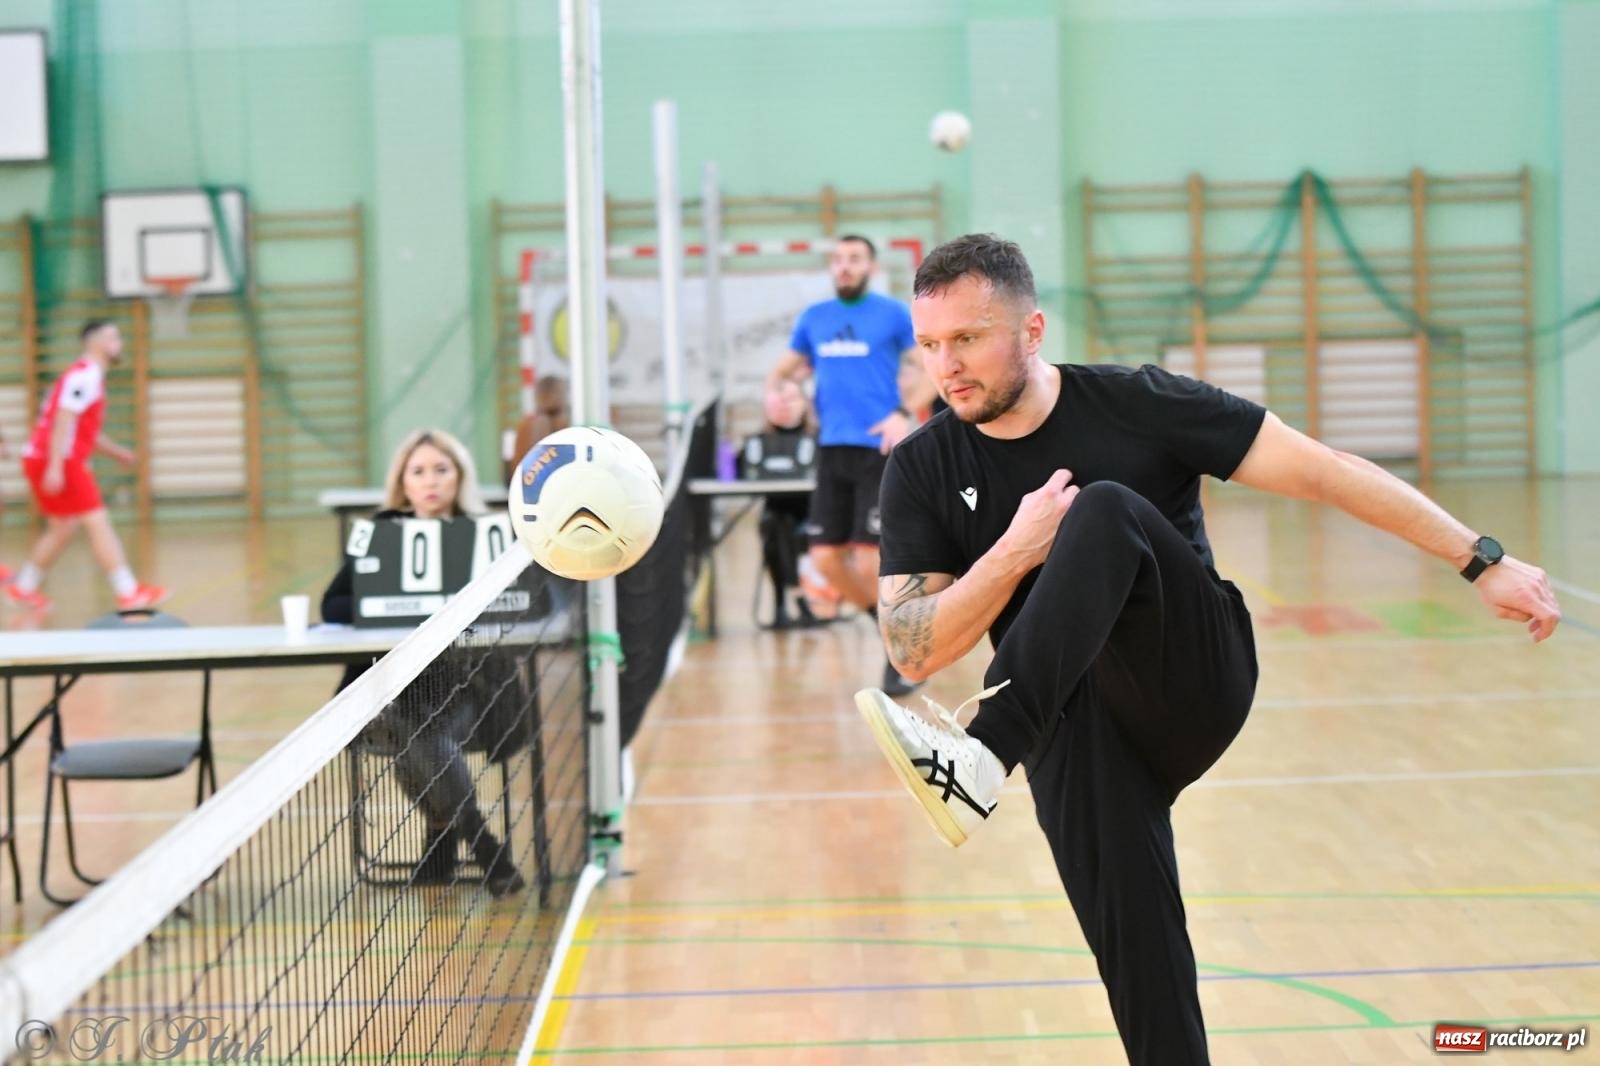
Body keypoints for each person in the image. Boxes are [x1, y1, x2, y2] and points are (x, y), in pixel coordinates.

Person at [855, 234, 1562, 1065]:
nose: (948, 366)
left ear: (1033, 330)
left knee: (1105, 509)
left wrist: (1479, 559)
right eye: (931, 345)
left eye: (968, 339)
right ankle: (989, 761)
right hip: (1073, 721)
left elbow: (1326, 470)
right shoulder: (924, 467)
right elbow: (912, 649)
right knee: (1140, 963)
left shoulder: (1138, 403)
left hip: (1189, 676)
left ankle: (979, 759)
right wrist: (1012, 552)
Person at [321, 428, 525, 898]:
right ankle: (480, 841)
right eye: (418, 472)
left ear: (460, 476)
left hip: (475, 692)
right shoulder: (380, 537)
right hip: (396, 690)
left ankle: (446, 838)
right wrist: (389, 604)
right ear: (403, 483)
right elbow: (331, 607)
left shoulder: (487, 535)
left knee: (420, 734)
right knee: (411, 727)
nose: (430, 481)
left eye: (441, 469)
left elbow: (524, 607)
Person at [766, 235, 920, 694]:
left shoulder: (891, 314)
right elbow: (780, 375)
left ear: (870, 266)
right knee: (826, 558)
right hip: (831, 449)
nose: (844, 266)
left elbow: (931, 366)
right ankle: (894, 630)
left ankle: (903, 659)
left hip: (877, 449)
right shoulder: (815, 320)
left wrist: (904, 413)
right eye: (837, 260)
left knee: (871, 556)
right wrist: (779, 398)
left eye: (854, 259)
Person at [7, 320, 166, 613]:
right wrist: (55, 467)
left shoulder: (87, 376)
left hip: (48, 457)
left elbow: (83, 431)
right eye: (112, 337)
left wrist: (118, 453)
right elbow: (63, 421)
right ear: (94, 343)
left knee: (62, 529)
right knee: (98, 521)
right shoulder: (85, 376)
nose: (118, 343)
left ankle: (24, 586)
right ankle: (128, 592)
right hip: (58, 459)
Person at [741, 378, 823, 629]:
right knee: (774, 526)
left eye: (792, 399)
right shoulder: (758, 440)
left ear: (804, 403)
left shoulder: (818, 438)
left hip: (813, 515)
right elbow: (742, 472)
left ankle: (783, 603)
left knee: (781, 529)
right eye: (780, 400)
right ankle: (796, 599)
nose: (785, 406)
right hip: (777, 516)